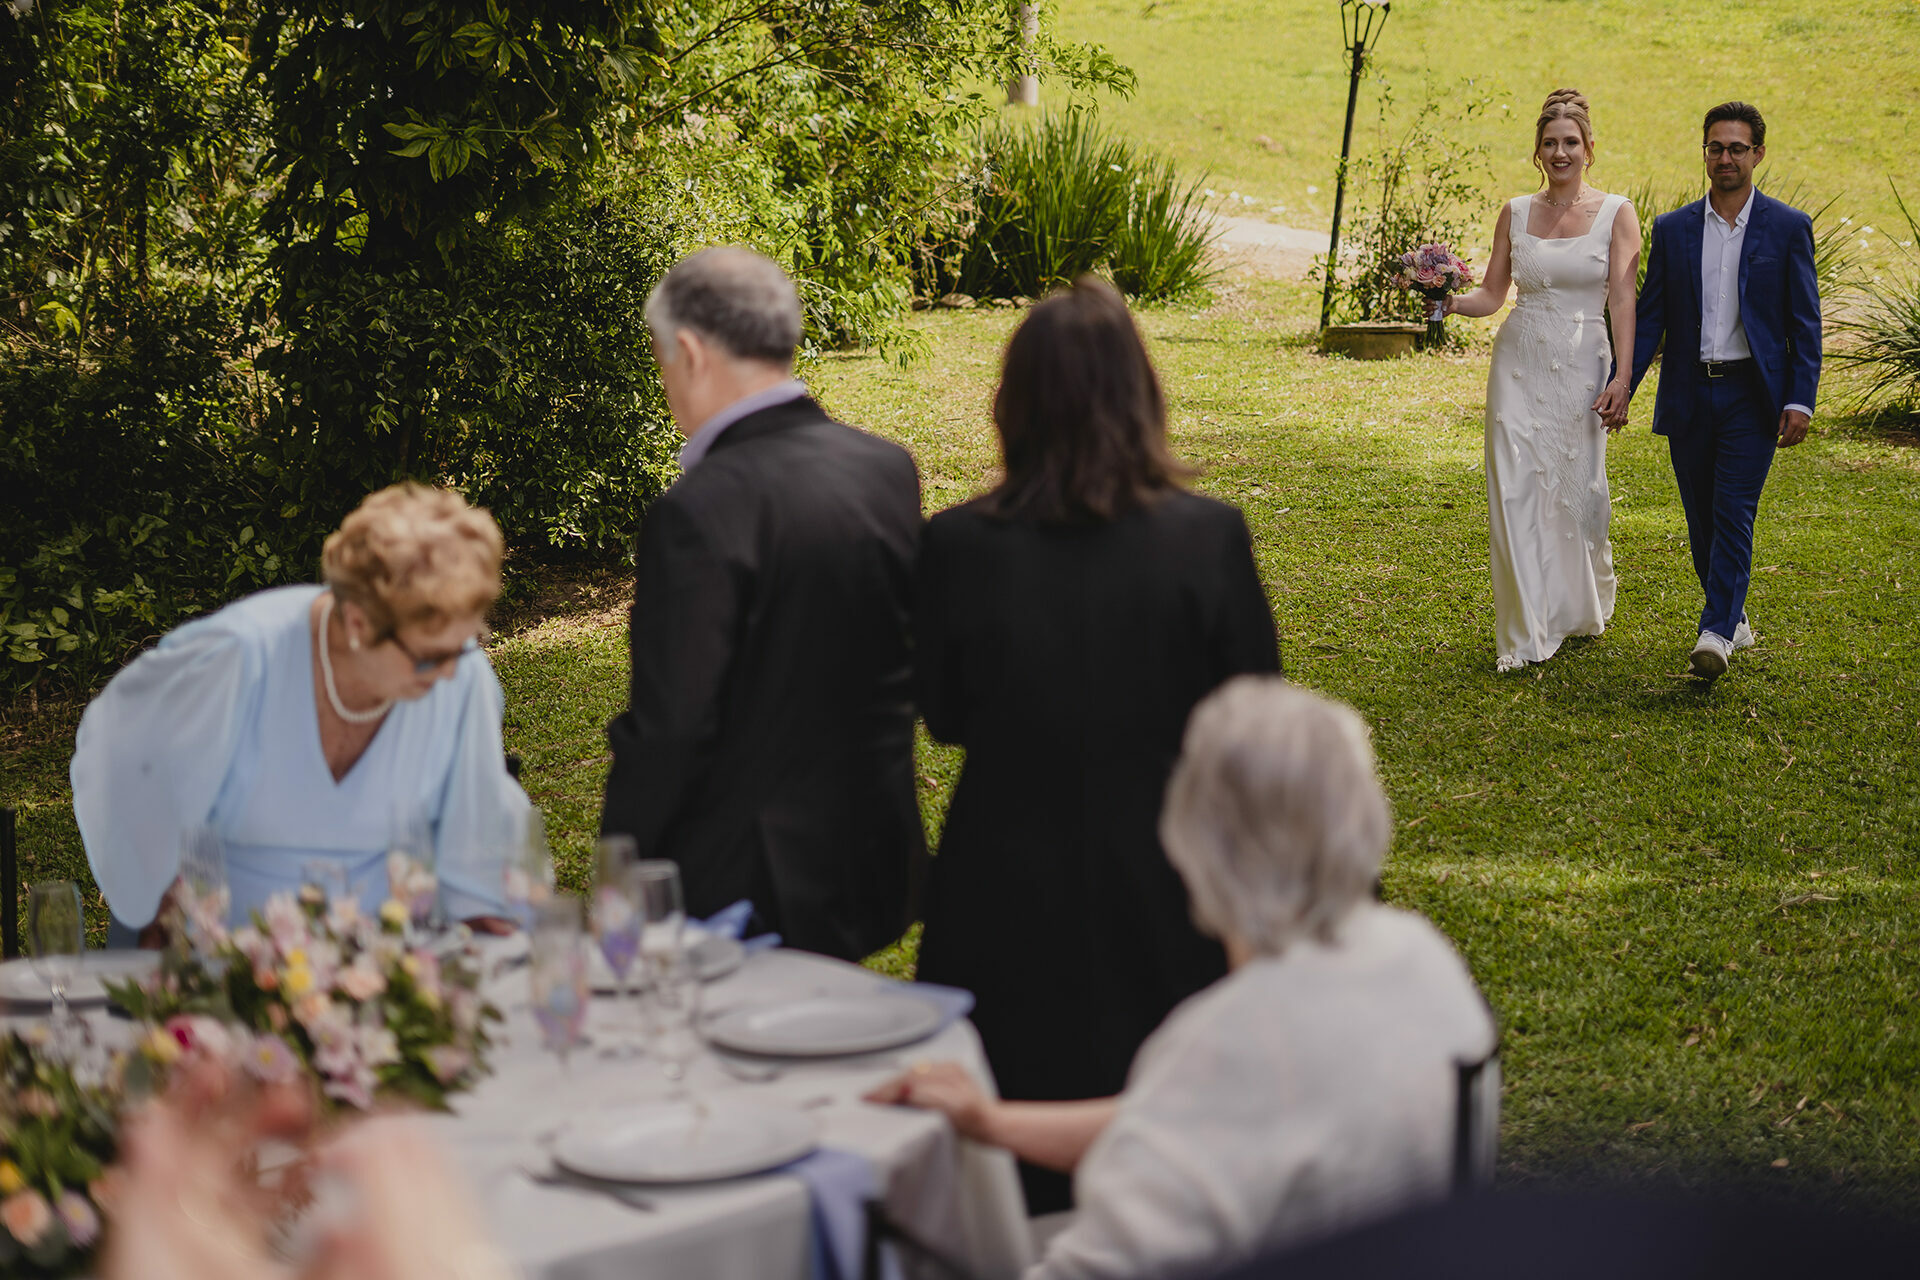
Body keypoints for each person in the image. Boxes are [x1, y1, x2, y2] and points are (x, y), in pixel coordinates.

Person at [869, 678, 1499, 1280]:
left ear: (1196, 840)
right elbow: (1200, 1117)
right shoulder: (1419, 957)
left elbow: (1105, 1259)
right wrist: (993, 1122)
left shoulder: (1234, 1035)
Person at [912, 275, 1281, 1213]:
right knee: (1163, 1125)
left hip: (998, 873)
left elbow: (943, 716)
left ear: (1015, 405)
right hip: (1169, 873)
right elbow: (1253, 715)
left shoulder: (956, 545)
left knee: (1008, 1126)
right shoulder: (1207, 537)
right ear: (1140, 397)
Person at [598, 246, 925, 961]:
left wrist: (617, 875)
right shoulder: (885, 468)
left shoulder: (699, 509)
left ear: (689, 352)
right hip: (869, 848)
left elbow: (672, 728)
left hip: (749, 880)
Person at [71, 484, 527, 939]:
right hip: (216, 949)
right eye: (429, 657)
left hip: (389, 955)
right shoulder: (237, 657)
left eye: (464, 645)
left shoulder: (462, 677)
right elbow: (120, 756)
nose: (449, 673)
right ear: (358, 623)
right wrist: (157, 897)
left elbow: (475, 830)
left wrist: (474, 910)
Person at [1445, 89, 1640, 674]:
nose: (1560, 152)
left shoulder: (1617, 213)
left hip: (1583, 366)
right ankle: (1525, 631)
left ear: (1589, 148)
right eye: (1550, 143)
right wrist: (1446, 301)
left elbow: (1623, 302)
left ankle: (1574, 604)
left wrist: (1623, 377)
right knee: (1513, 489)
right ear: (1537, 150)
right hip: (1517, 364)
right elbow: (1492, 295)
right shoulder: (1515, 211)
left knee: (1581, 492)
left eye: (1570, 142)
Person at [1628, 101, 1821, 681]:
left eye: (1737, 148)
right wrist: (1622, 385)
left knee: (1734, 510)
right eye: (1716, 147)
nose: (1726, 157)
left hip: (1752, 395)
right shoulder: (1673, 229)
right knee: (1701, 519)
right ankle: (1733, 614)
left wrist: (1800, 398)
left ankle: (1714, 632)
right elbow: (1651, 318)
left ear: (1757, 153)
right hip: (1689, 391)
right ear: (1705, 153)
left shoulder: (1787, 227)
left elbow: (1804, 322)